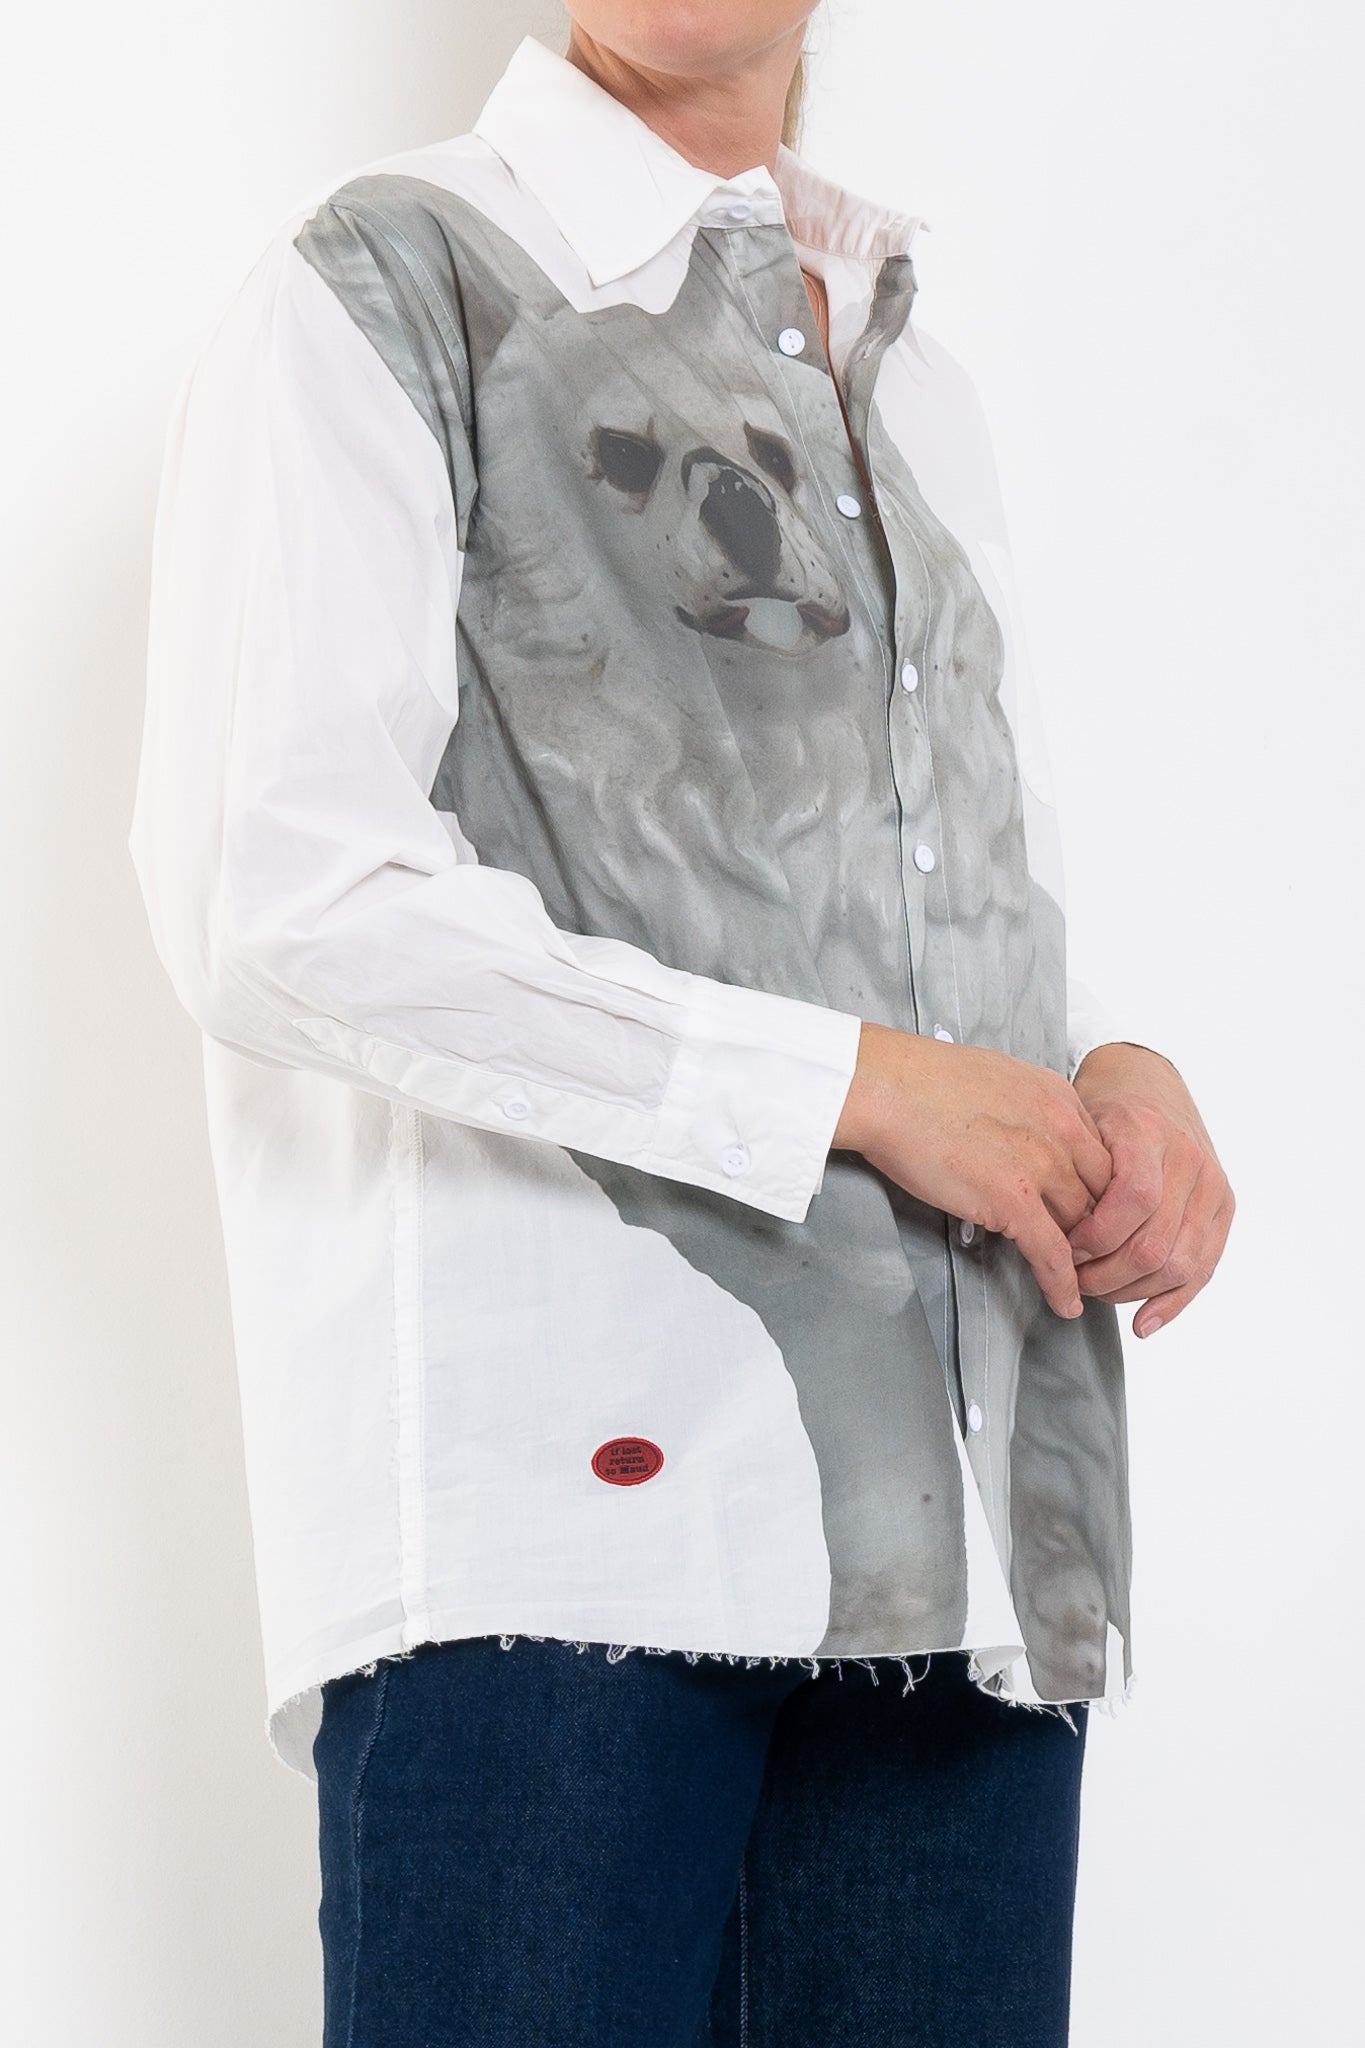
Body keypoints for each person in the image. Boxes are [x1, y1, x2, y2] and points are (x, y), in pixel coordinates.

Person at [127, 5, 1235, 2043]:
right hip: (563, 1550)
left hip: (968, 1538)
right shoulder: (381, 284)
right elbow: (278, 895)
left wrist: (1110, 1065)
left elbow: (958, 873)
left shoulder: (913, 367)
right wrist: (847, 1088)